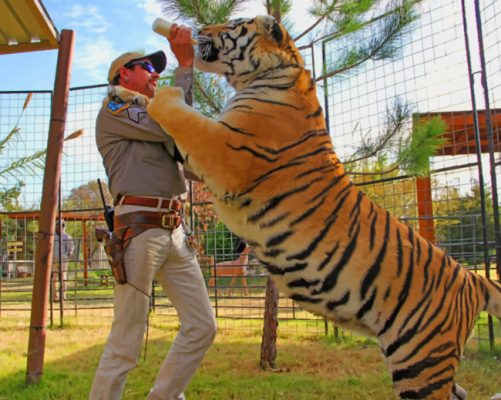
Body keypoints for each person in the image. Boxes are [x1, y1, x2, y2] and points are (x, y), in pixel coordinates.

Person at [89, 24, 217, 400]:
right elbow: (175, 125)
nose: (155, 73)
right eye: (146, 66)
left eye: (156, 68)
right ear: (122, 74)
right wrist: (185, 66)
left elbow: (189, 147)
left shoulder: (153, 117)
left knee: (202, 326)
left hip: (175, 229)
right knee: (127, 339)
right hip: (140, 229)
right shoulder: (116, 107)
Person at [52, 218, 74, 301]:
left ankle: (63, 295)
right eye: (57, 225)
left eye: (61, 225)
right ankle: (55, 296)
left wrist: (68, 256)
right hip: (53, 260)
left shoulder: (67, 237)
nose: (58, 227)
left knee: (63, 278)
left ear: (63, 226)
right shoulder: (52, 236)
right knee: (54, 279)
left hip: (63, 260)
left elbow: (71, 248)